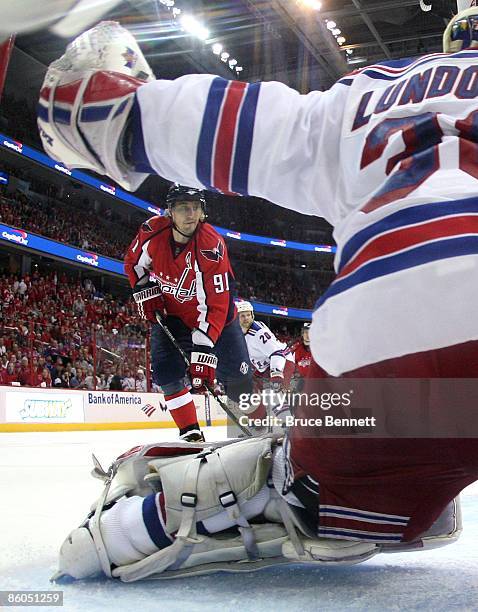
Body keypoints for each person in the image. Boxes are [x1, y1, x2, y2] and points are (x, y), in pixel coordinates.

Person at [38, 11, 478, 578]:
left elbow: (248, 128)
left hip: (389, 334)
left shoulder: (364, 95)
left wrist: (117, 110)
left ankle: (146, 525)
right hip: (387, 335)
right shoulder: (161, 244)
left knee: (340, 492)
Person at [124, 184, 252, 442]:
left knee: (239, 380)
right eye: (183, 207)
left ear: (203, 212)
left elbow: (217, 302)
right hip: (173, 317)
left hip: (220, 321)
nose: (190, 214)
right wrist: (143, 288)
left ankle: (255, 429)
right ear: (170, 211)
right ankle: (190, 433)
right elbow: (133, 263)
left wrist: (203, 348)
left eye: (196, 207)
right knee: (165, 372)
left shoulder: (210, 244)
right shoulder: (152, 231)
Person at [236, 300, 295, 425]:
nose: (246, 318)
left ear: (252, 315)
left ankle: (289, 425)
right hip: (264, 366)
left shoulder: (258, 333)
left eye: (248, 315)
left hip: (282, 361)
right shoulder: (238, 334)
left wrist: (276, 374)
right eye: (242, 315)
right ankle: (258, 424)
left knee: (272, 393)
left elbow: (277, 353)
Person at [290, 322, 312, 391]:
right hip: (302, 380)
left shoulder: (320, 349)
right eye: (306, 332)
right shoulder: (296, 349)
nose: (308, 335)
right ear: (302, 334)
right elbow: (290, 366)